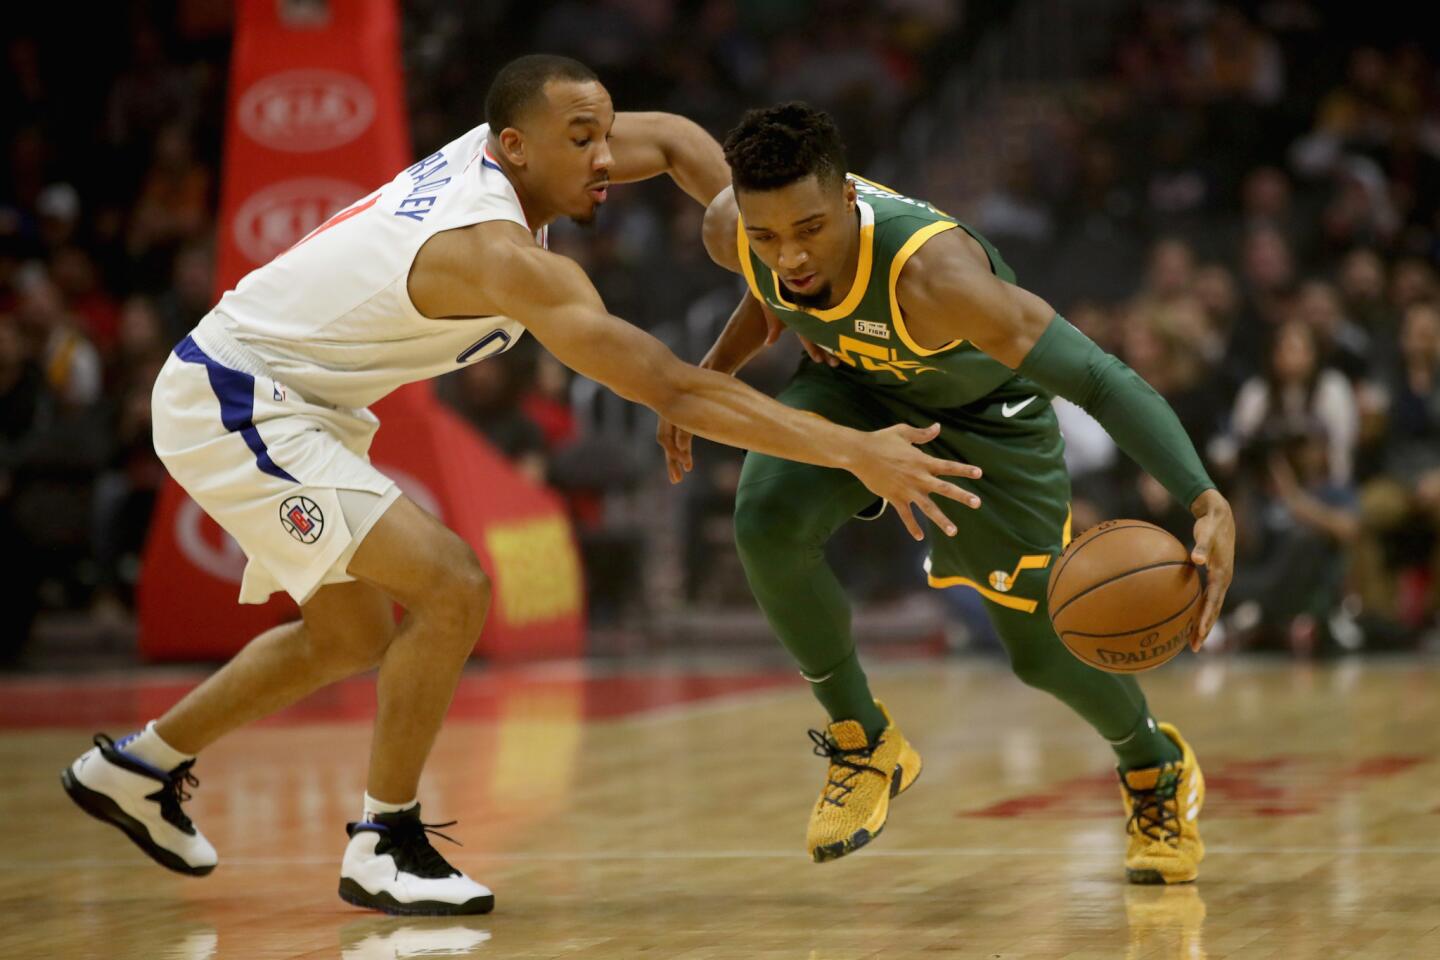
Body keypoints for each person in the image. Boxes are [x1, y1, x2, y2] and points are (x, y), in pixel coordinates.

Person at [60, 58, 982, 917]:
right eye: (583, 140)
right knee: (453, 586)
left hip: (303, 397)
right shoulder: (500, 255)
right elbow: (672, 386)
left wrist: (765, 265)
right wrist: (855, 450)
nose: (606, 158)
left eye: (602, 133)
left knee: (351, 633)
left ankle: (136, 769)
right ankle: (385, 841)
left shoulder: (534, 155)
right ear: (513, 147)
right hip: (236, 397)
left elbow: (682, 146)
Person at [657, 103, 1235, 883]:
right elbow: (771, 296)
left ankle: (1152, 764)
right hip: (855, 392)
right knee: (764, 520)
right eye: (767, 237)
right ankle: (864, 741)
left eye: (809, 231)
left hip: (985, 425)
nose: (790, 254)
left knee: (1043, 650)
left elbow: (1100, 378)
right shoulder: (739, 230)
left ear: (852, 205)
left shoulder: (939, 279)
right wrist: (709, 379)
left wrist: (1204, 498)